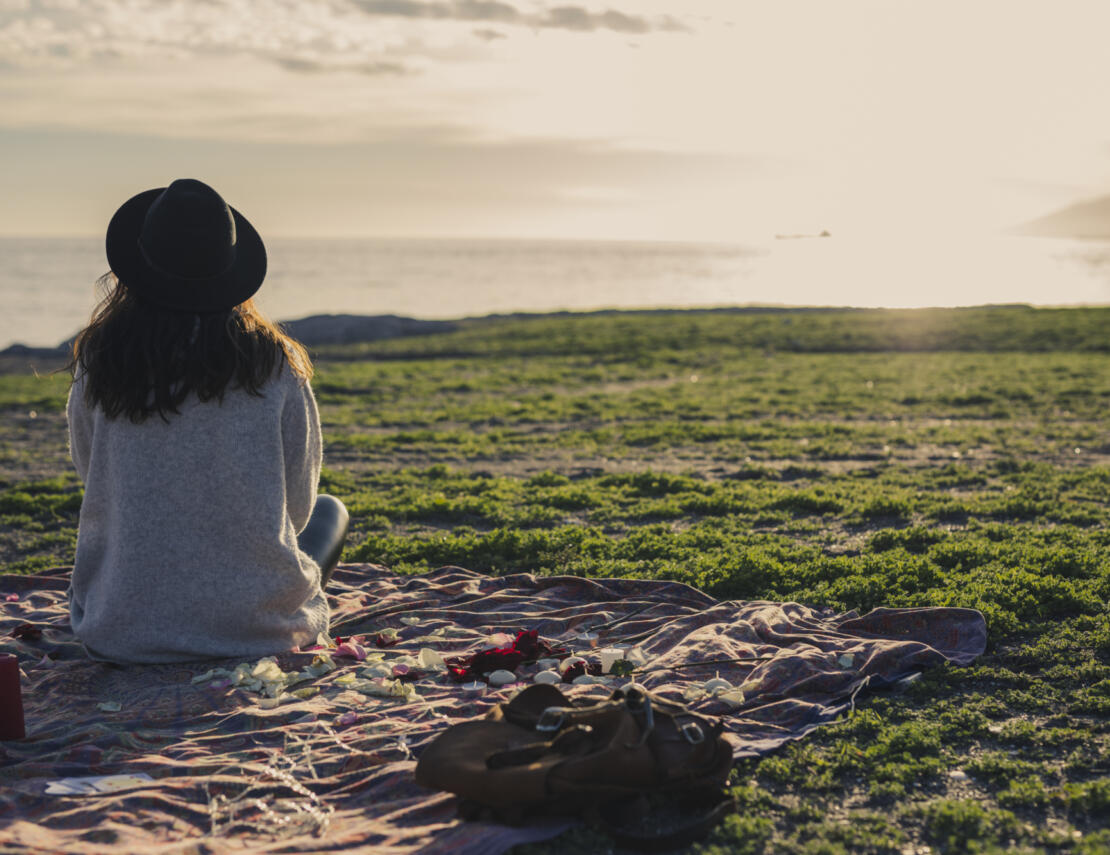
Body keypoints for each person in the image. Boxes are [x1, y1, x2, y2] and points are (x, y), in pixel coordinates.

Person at [65, 178, 348, 664]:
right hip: (256, 629)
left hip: (122, 630)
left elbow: (95, 479)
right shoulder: (275, 364)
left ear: (135, 269)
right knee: (329, 510)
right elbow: (296, 509)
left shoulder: (102, 363)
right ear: (230, 271)